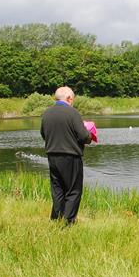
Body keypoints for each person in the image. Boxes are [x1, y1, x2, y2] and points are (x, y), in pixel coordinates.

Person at [40, 86, 92, 225]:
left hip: (52, 156)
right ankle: (68, 223)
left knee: (57, 190)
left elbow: (43, 134)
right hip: (71, 156)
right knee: (73, 190)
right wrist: (89, 136)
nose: (73, 102)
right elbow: (83, 136)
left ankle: (56, 219)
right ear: (69, 98)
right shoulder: (72, 112)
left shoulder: (46, 113)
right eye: (72, 99)